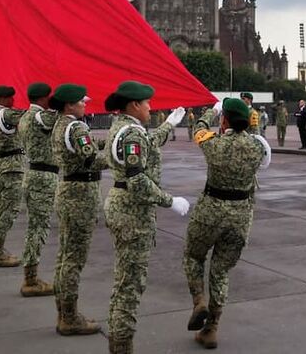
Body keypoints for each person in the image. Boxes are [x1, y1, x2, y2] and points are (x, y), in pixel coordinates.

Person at [103, 81, 189, 354]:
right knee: (131, 285)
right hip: (132, 212)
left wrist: (170, 125)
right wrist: (169, 200)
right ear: (135, 105)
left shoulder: (123, 127)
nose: (151, 108)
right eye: (148, 103)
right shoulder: (132, 134)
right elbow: (137, 179)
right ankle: (121, 347)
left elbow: (148, 143)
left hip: (122, 207)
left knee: (124, 279)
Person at [185, 98, 268, 349]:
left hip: (210, 210)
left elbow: (197, 130)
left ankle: (198, 300)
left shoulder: (213, 143)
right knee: (221, 271)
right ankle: (211, 329)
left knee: (193, 256)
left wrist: (210, 112)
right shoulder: (257, 148)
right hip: (240, 216)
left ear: (224, 120)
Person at [51, 83, 105, 335]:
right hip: (80, 196)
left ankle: (63, 311)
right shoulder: (76, 127)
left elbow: (85, 151)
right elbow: (91, 159)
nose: (85, 104)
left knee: (65, 256)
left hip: (68, 192)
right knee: (74, 258)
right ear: (69, 105)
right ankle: (70, 318)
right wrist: (120, 156)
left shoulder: (61, 125)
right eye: (81, 101)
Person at [18, 82, 58, 295]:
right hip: (42, 176)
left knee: (35, 227)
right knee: (38, 228)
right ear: (44, 98)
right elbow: (62, 117)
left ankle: (30, 275)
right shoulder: (39, 117)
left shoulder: (25, 116)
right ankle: (30, 280)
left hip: (34, 174)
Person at [0, 85, 27, 268]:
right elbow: (29, 119)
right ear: (4, 98)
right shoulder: (5, 114)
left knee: (1, 209)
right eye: (11, 98)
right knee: (8, 211)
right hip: (11, 165)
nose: (13, 101)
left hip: (3, 163)